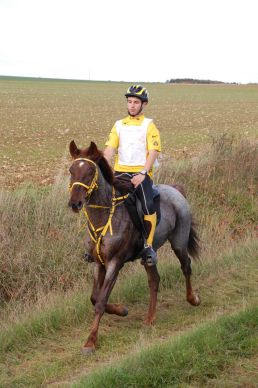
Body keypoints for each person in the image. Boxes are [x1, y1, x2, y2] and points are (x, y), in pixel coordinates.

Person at [104, 84, 161, 266]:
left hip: (140, 173)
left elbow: (153, 151)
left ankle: (148, 246)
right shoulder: (119, 125)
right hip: (120, 173)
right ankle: (96, 243)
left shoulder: (149, 125)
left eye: (136, 102)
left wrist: (143, 173)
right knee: (102, 201)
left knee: (147, 204)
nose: (132, 105)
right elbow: (109, 150)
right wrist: (105, 168)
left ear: (144, 104)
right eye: (130, 102)